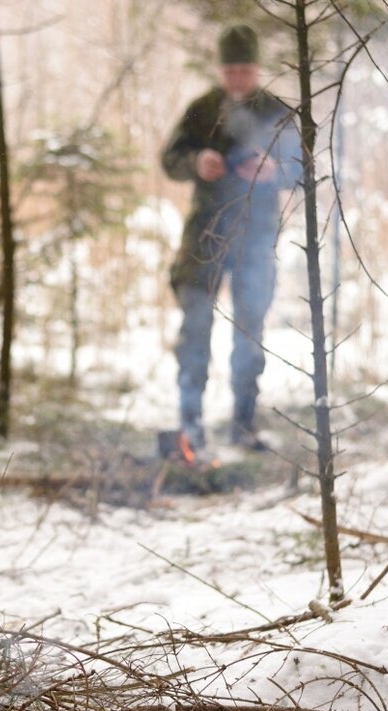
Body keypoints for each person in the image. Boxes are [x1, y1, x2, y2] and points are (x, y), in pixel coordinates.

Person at [162, 23, 300, 451]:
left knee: (250, 334)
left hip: (255, 236)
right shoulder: (202, 109)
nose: (238, 78)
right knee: (195, 330)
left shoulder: (277, 112)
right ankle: (190, 427)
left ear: (256, 68)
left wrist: (274, 170)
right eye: (230, 70)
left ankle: (243, 424)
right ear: (221, 70)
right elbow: (170, 159)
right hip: (204, 236)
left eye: (245, 69)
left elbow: (304, 169)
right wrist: (196, 161)